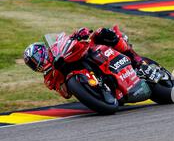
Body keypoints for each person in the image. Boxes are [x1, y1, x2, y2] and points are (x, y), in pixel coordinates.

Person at [23, 25, 160, 99]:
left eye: (36, 60)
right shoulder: (49, 78)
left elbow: (73, 39)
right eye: (33, 64)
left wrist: (78, 34)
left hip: (90, 52)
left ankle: (137, 60)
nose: (37, 64)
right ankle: (105, 88)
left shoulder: (57, 49)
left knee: (101, 33)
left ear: (42, 52)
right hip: (88, 80)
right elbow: (66, 94)